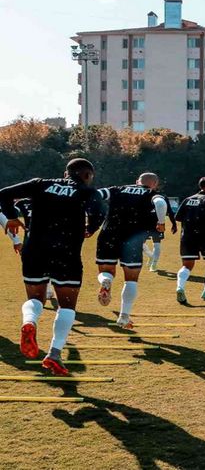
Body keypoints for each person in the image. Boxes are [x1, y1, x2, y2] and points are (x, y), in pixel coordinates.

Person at [0, 159, 104, 376]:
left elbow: (3, 194)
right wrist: (90, 228)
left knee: (36, 298)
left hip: (34, 250)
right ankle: (54, 354)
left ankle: (30, 322)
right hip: (65, 252)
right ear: (86, 175)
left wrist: (11, 217)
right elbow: (99, 213)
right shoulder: (87, 191)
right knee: (66, 305)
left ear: (66, 173)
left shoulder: (40, 183)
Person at [96, 173, 169, 329]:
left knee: (106, 270)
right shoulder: (152, 194)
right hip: (133, 238)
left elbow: (97, 194)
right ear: (154, 184)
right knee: (130, 279)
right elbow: (161, 205)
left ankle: (105, 281)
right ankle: (124, 317)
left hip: (108, 233)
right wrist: (161, 223)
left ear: (137, 181)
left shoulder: (117, 189)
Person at [142, 192, 177, 272]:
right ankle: (151, 256)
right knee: (141, 244)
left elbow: (169, 211)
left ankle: (154, 264)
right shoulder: (143, 194)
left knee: (156, 244)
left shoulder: (162, 196)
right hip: (145, 224)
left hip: (158, 224)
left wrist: (174, 224)